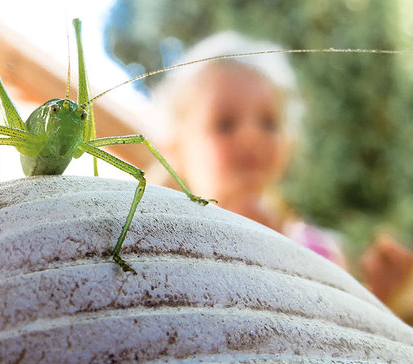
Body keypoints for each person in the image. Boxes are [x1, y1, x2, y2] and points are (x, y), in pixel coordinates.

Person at [148, 31, 346, 267]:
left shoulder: (321, 251)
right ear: (175, 149)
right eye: (225, 124)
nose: (251, 137)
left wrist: (389, 297)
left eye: (269, 122)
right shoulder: (162, 245)